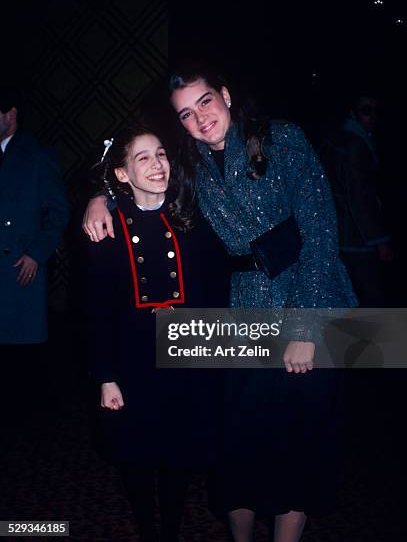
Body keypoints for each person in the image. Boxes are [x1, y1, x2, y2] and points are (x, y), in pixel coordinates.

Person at [83, 67, 356, 542]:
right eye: (186, 114)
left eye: (205, 102)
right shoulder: (189, 163)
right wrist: (99, 198)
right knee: (239, 443)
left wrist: (305, 328)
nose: (199, 118)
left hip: (308, 298)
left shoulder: (282, 139)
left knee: (300, 441)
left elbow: (321, 233)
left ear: (226, 95)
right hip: (242, 310)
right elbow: (141, 182)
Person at [85, 123, 229, 542]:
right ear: (123, 174)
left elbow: (215, 291)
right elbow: (98, 310)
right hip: (132, 360)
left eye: (161, 154)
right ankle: (148, 529)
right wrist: (105, 377)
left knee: (179, 453)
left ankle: (168, 530)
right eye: (143, 158)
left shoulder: (193, 218)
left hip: (184, 353)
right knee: (135, 454)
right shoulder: (107, 228)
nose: (157, 164)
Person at [0, 87, 68, 420]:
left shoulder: (38, 156)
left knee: (22, 355)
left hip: (19, 266)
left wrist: (36, 254)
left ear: (10, 115)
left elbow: (58, 212)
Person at [319, 93, 393, 306]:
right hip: (357, 238)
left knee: (353, 298)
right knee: (371, 297)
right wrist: (380, 240)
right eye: (365, 110)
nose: (372, 116)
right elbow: (361, 197)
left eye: (375, 110)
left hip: (341, 234)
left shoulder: (342, 139)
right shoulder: (355, 145)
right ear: (353, 113)